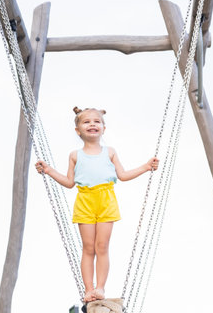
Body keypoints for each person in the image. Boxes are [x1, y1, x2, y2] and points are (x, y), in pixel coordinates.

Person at [35, 107, 159, 302]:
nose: (92, 124)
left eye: (96, 121)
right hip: (85, 200)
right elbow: (69, 183)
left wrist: (146, 166)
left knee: (102, 246)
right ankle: (88, 289)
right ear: (78, 130)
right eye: (86, 122)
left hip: (106, 200)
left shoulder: (110, 152)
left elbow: (123, 175)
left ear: (103, 128)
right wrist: (49, 170)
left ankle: (100, 288)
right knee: (88, 247)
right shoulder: (75, 155)